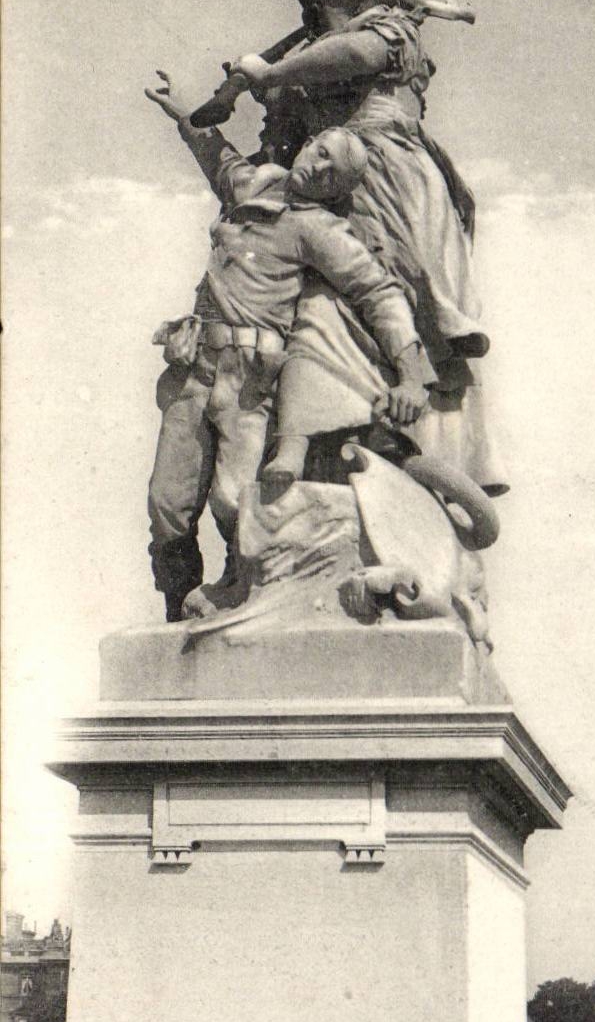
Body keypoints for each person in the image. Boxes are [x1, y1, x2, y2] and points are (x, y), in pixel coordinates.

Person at [144, 73, 435, 619]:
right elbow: (215, 152)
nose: (317, 166)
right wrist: (179, 108)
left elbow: (378, 292)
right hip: (193, 368)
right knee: (167, 507)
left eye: (332, 170)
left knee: (237, 503)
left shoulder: (318, 229)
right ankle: (173, 620)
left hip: (248, 383)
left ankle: (238, 597)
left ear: (337, 189)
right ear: (307, 144)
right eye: (319, 151)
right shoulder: (252, 185)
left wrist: (411, 372)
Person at [231, 0, 504, 497]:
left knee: (414, 296)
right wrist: (264, 99)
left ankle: (430, 449)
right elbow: (274, 155)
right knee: (332, 305)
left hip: (400, 178)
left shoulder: (388, 25)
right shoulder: (303, 68)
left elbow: (360, 55)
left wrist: (274, 73)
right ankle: (339, 442)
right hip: (331, 198)